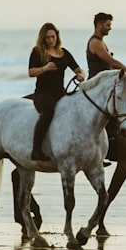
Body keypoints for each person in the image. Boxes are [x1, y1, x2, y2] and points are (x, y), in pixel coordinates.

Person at [29, 22, 85, 161]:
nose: (51, 40)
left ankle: (84, 149)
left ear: (57, 37)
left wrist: (82, 75)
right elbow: (31, 72)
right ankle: (36, 150)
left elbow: (78, 69)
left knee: (79, 110)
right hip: (42, 94)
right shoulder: (37, 52)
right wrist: (44, 68)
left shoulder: (64, 53)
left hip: (60, 92)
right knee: (48, 110)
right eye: (47, 37)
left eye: (53, 37)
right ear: (43, 38)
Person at [86, 12, 126, 78]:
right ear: (99, 25)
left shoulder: (100, 42)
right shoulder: (95, 43)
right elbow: (113, 62)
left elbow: (109, 66)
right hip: (97, 84)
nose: (110, 28)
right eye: (108, 25)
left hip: (103, 82)